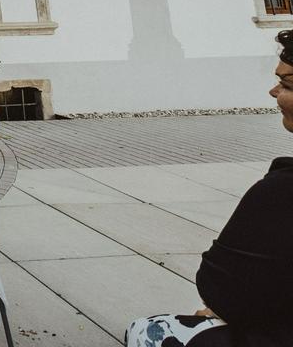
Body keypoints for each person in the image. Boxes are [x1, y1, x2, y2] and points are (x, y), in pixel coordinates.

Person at [124, 29, 293, 347]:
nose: (273, 92)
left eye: (286, 85)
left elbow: (223, 289)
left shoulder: (280, 192)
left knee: (150, 331)